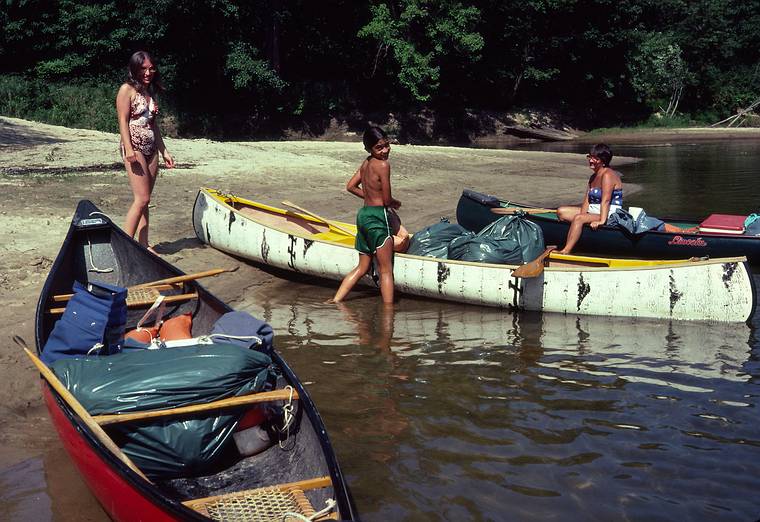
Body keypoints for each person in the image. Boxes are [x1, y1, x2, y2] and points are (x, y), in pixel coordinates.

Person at [329, 126, 410, 304]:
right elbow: (387, 199)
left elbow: (350, 186)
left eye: (387, 145)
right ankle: (388, 316)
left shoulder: (366, 163)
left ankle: (336, 300)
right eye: (379, 147)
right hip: (378, 218)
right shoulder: (383, 165)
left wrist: (371, 197)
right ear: (369, 149)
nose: (385, 150)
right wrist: (394, 203)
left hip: (363, 216)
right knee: (386, 271)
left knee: (362, 267)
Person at [116, 50, 175, 253]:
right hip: (134, 147)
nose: (148, 72)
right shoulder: (127, 89)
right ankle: (124, 245)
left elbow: (153, 126)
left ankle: (143, 244)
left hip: (151, 148)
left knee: (145, 199)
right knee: (141, 199)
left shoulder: (149, 92)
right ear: (135, 69)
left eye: (151, 68)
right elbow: (122, 121)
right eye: (143, 69)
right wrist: (129, 149)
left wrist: (164, 151)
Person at [556, 143, 622, 254]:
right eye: (590, 157)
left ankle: (566, 250)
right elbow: (587, 200)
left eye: (595, 158)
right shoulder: (593, 177)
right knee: (561, 212)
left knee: (578, 219)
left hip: (609, 214)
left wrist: (601, 221)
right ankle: (578, 234)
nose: (591, 160)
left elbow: (605, 201)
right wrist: (582, 214)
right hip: (595, 210)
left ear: (603, 160)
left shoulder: (608, 175)